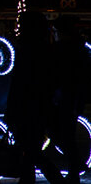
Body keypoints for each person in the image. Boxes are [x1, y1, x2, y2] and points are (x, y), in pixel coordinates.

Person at [4, 12, 62, 183]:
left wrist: (11, 110)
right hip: (39, 108)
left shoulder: (26, 50)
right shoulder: (46, 48)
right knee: (31, 152)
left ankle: (56, 181)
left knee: (31, 152)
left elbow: (19, 84)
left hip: (26, 109)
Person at [49, 16, 90, 183]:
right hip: (73, 99)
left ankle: (76, 166)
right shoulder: (80, 48)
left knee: (59, 133)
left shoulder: (62, 49)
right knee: (67, 136)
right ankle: (75, 169)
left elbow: (56, 75)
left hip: (63, 99)